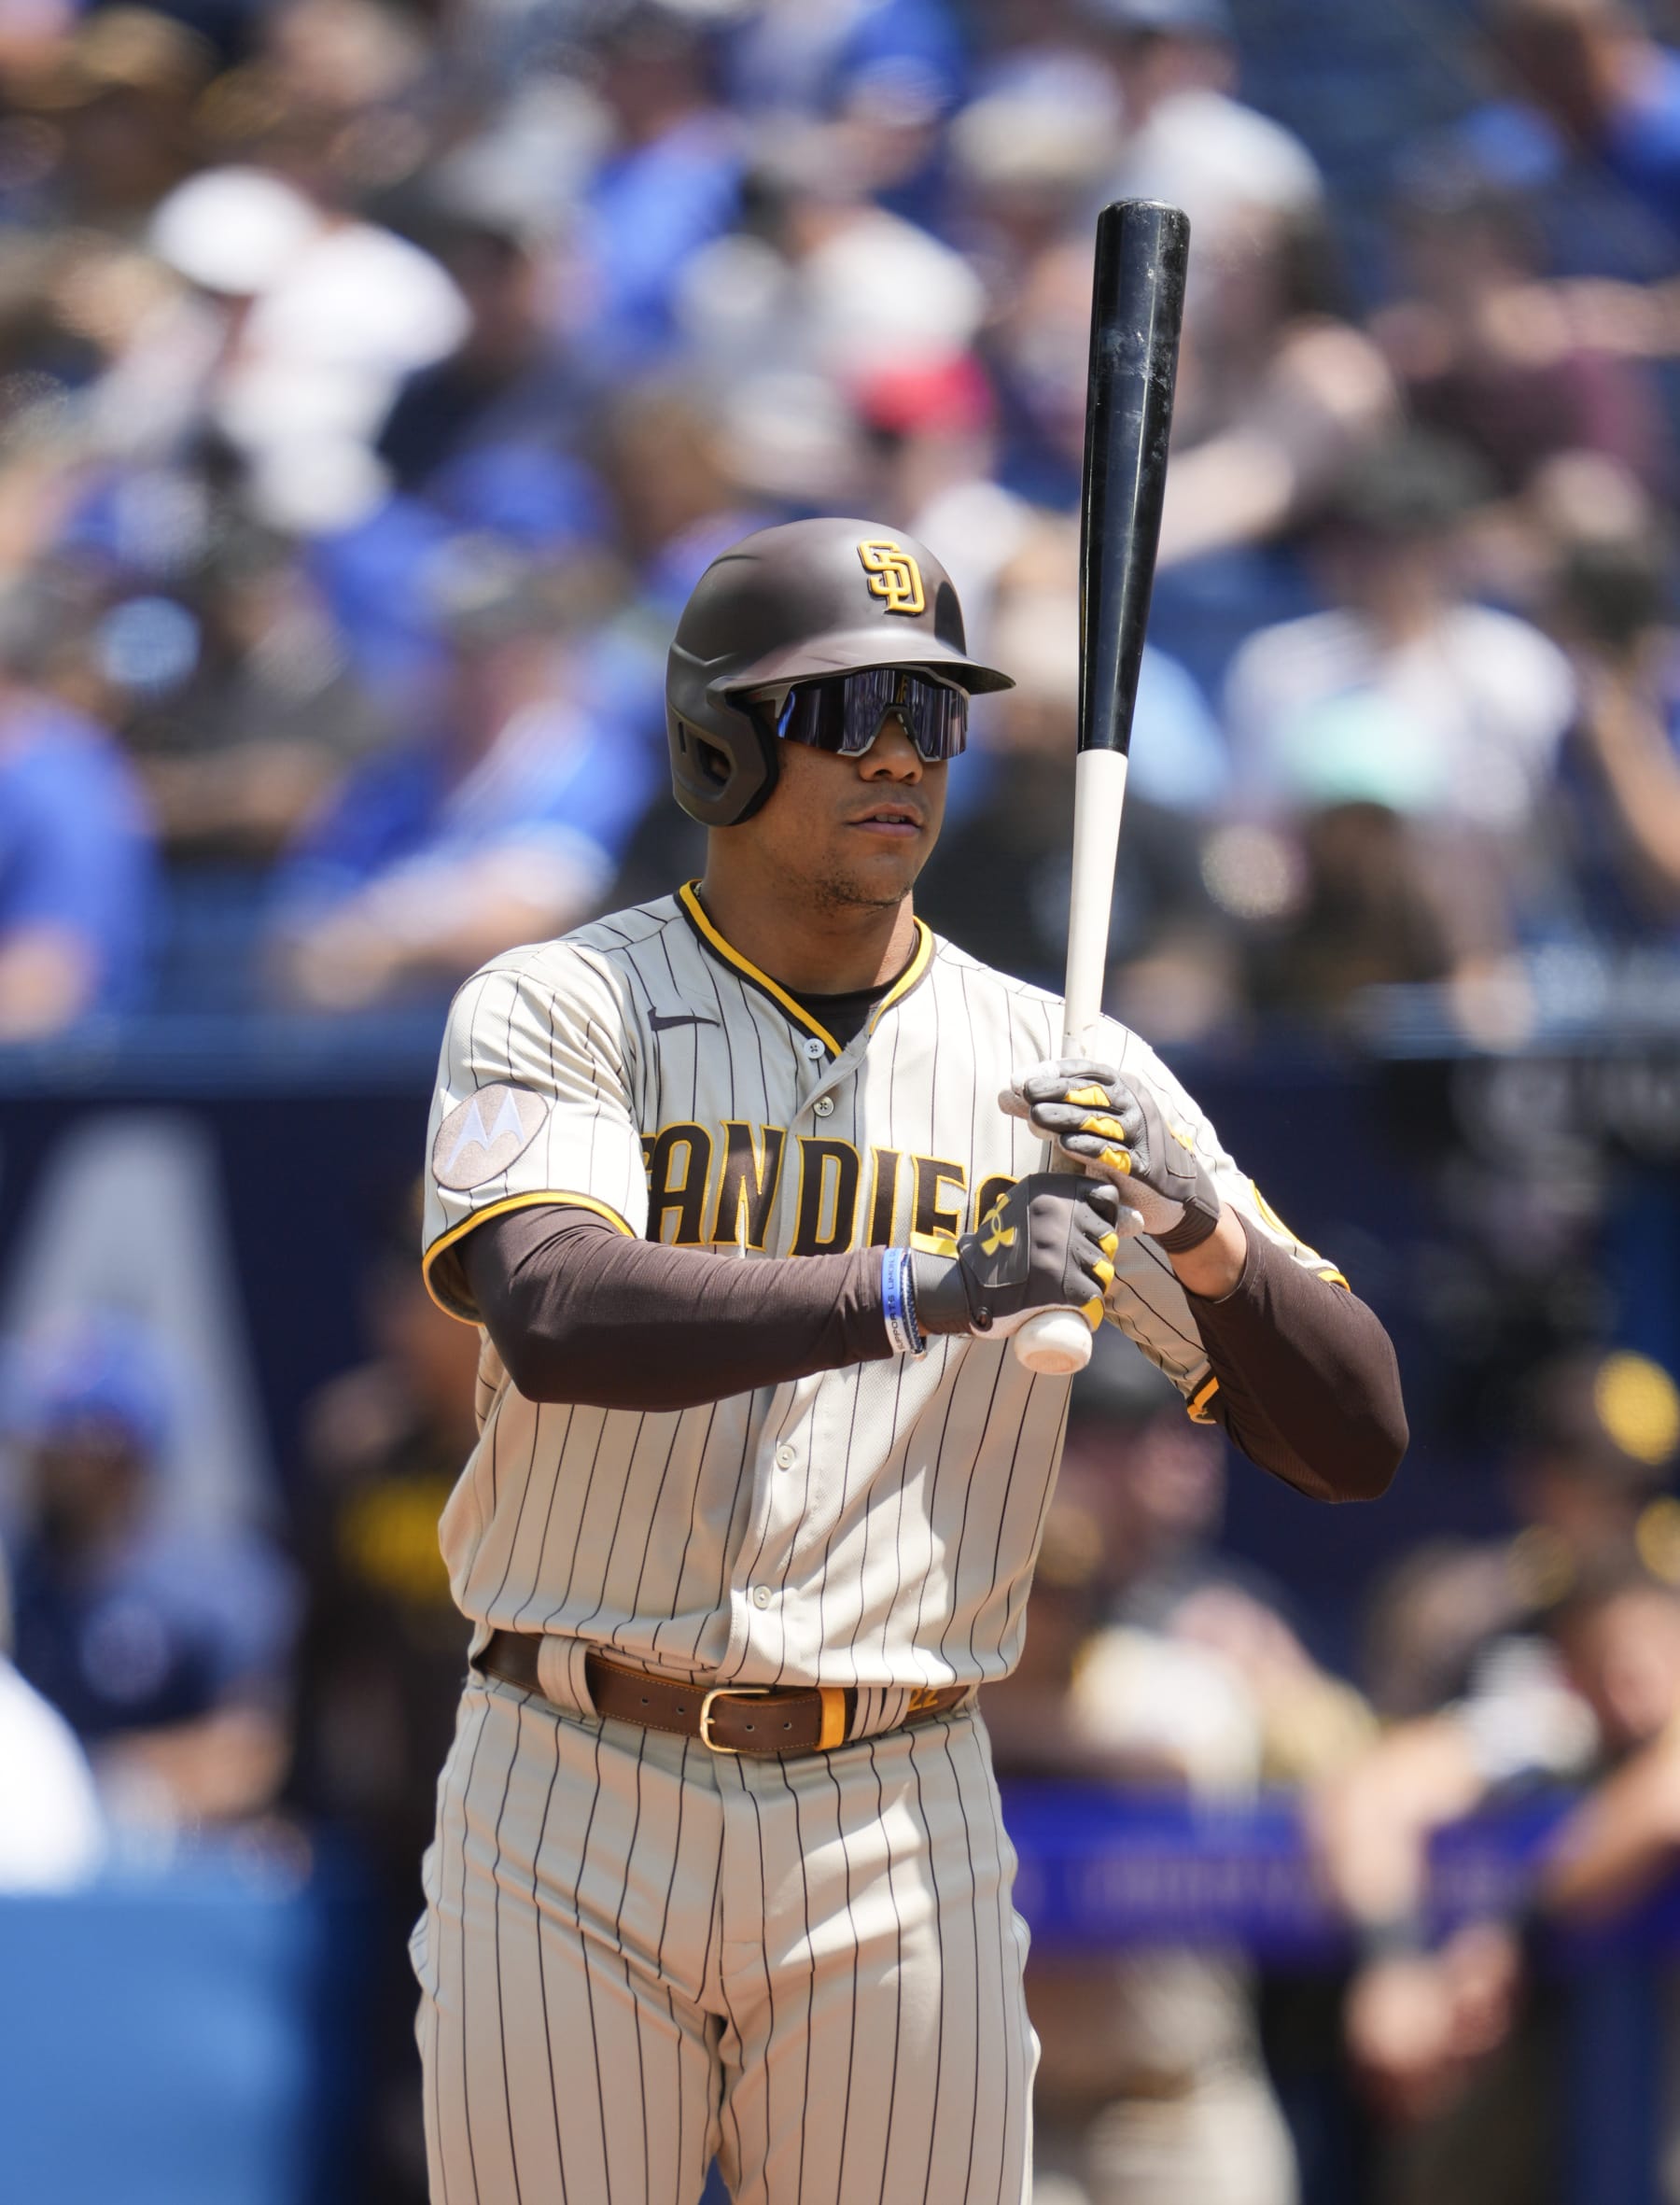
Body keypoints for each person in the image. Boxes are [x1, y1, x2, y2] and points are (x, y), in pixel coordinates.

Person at [411, 514, 1407, 2205]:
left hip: (897, 1787)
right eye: (846, 708)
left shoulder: (1062, 1060)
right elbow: (556, 1308)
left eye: (931, 714)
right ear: (717, 740)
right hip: (565, 1771)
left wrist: (1196, 1231)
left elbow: (1355, 1435)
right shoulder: (564, 1002)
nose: (898, 754)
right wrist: (925, 1282)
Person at [4, 1313, 297, 1830]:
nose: (33, 1460)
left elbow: (253, 1754)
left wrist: (86, 1784)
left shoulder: (220, 1586)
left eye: (56, 1443)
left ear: (115, 1451)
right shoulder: (16, 1580)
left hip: (173, 1884)